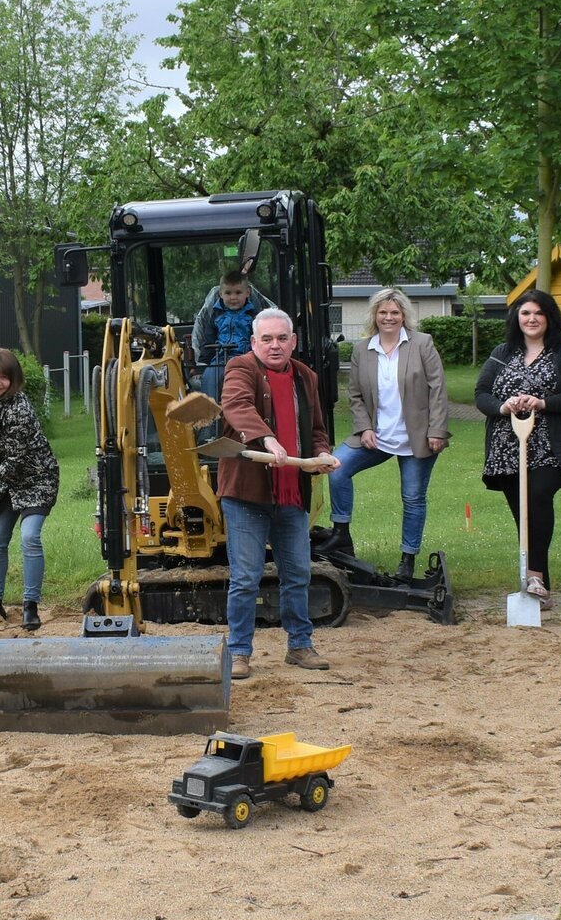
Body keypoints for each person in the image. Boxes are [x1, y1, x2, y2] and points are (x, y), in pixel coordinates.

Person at [218, 309, 338, 678]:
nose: (274, 345)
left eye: (281, 339)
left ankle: (300, 645)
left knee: (298, 573)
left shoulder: (306, 376)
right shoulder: (240, 368)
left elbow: (316, 427)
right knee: (245, 577)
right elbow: (236, 406)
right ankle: (238, 653)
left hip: (291, 493)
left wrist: (320, 453)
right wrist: (267, 437)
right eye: (266, 339)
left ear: (293, 342)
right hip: (247, 494)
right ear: (254, 342)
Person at [475, 289, 561, 607]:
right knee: (523, 516)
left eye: (538, 313)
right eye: (525, 313)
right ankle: (538, 585)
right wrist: (504, 406)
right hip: (507, 448)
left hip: (551, 446)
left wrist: (543, 402)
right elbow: (482, 392)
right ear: (517, 317)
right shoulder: (503, 351)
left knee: (538, 496)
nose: (531, 319)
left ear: (549, 317)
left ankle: (535, 577)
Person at [321, 287, 448, 579]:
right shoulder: (361, 350)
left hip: (418, 437)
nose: (388, 317)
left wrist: (437, 430)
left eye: (394, 312)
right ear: (374, 315)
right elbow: (355, 396)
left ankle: (407, 561)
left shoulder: (422, 344)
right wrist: (364, 428)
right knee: (335, 468)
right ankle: (341, 534)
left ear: (404, 315)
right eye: (383, 312)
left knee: (413, 498)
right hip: (377, 437)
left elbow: (438, 390)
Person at [0, 349, 60, 632]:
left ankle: (30, 607)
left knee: (29, 538)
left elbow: (15, 464)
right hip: (8, 482)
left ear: (14, 381)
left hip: (37, 478)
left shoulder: (21, 410)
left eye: (4, 377)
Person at [191, 271, 267, 401]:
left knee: (254, 382)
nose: (233, 297)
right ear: (220, 294)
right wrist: (203, 363)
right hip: (219, 359)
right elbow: (208, 339)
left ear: (247, 293)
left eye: (238, 293)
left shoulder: (253, 316)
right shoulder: (216, 315)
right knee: (209, 379)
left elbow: (260, 339)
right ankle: (210, 418)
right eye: (228, 293)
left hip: (246, 359)